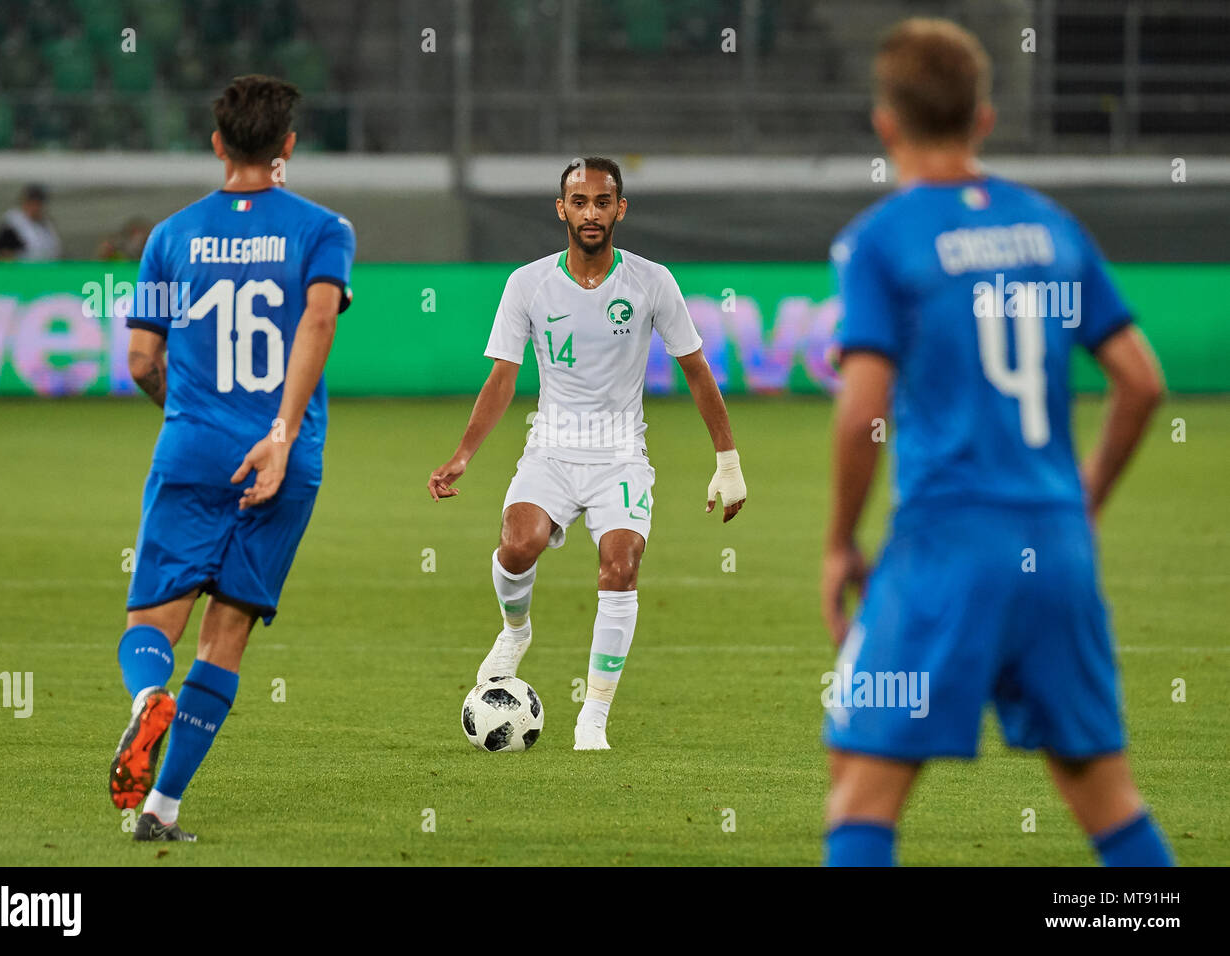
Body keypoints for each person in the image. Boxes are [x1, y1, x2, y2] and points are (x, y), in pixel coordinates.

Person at [820, 18, 1173, 867]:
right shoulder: (1052, 229)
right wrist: (1080, 499)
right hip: (1056, 545)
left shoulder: (882, 240)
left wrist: (839, 540)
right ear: (984, 118)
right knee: (1103, 792)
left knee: (861, 785)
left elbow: (863, 407)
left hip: (948, 545)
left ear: (886, 124)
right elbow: (1142, 380)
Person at [428, 157, 747, 751]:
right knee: (517, 545)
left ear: (620, 209)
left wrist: (727, 463)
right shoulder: (528, 283)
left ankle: (592, 717)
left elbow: (697, 371)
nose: (591, 213)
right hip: (549, 449)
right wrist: (464, 454)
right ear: (562, 209)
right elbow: (502, 377)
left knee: (620, 566)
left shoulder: (652, 282)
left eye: (603, 202)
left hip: (621, 456)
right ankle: (515, 632)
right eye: (580, 202)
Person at [109, 75, 355, 841]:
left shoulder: (170, 236)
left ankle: (149, 694)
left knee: (153, 618)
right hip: (284, 455)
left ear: (218, 144)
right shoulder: (324, 229)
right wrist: (279, 435)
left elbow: (143, 360)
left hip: (191, 445)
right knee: (228, 635)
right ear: (287, 147)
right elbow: (318, 322)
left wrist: (188, 421)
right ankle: (164, 808)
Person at [0, 183, 61, 261]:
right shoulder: (12, 225)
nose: (37, 206)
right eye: (33, 202)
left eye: (39, 202)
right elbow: (1, 254)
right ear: (25, 202)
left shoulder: (46, 224)